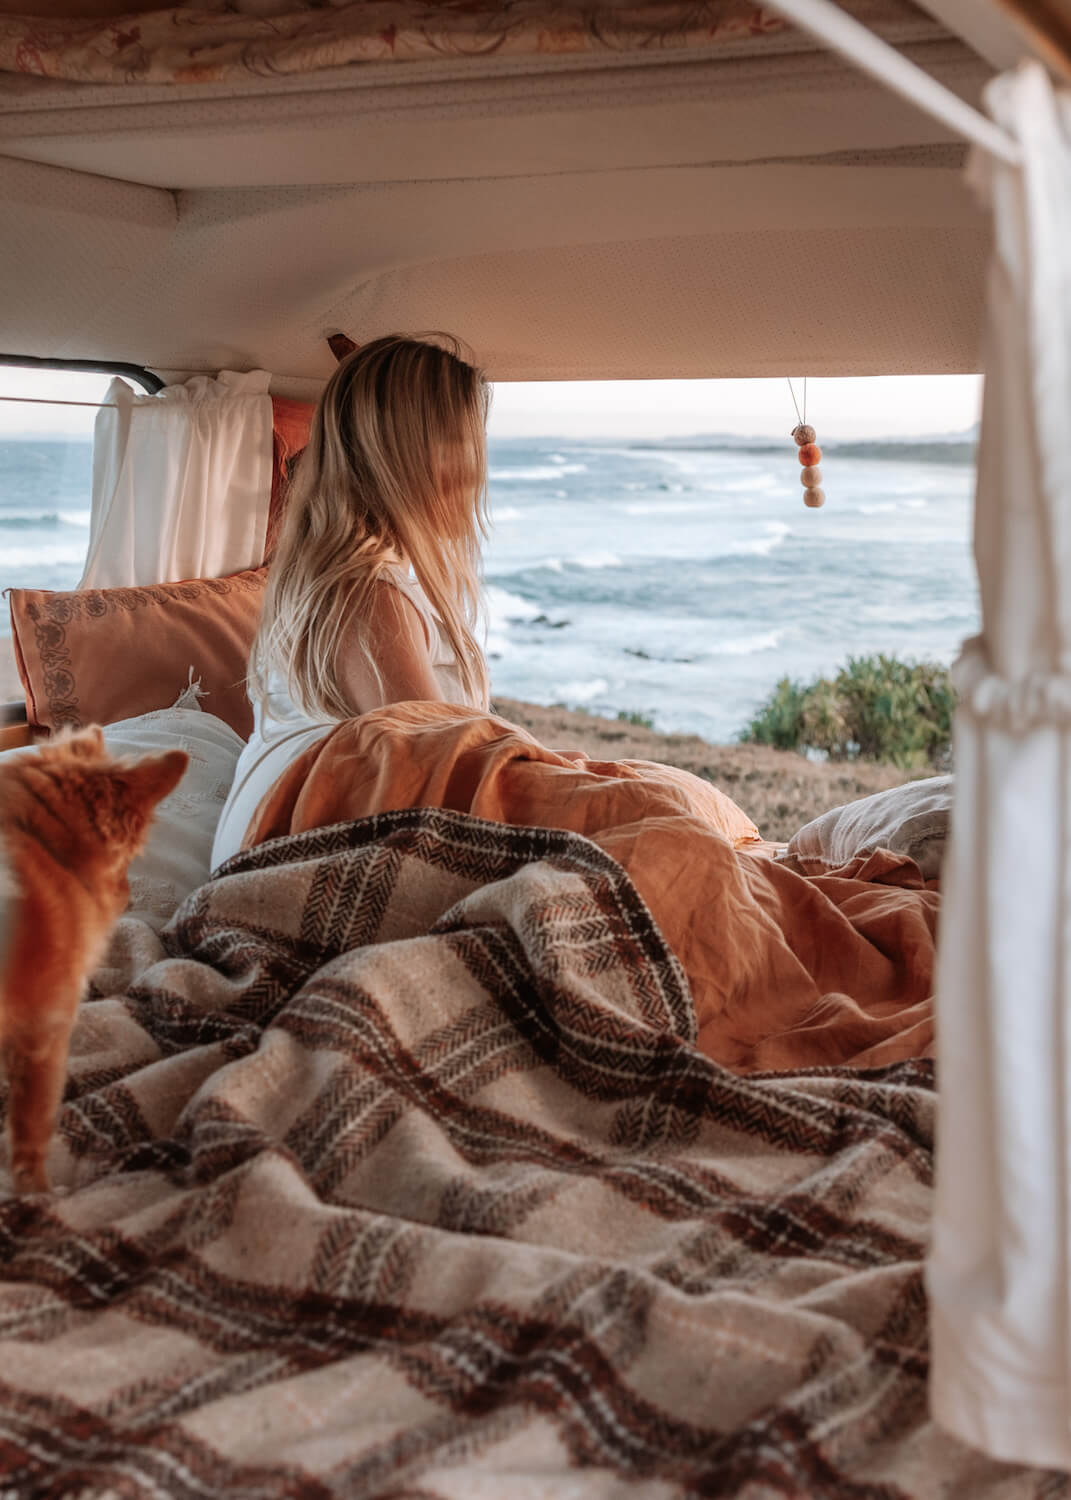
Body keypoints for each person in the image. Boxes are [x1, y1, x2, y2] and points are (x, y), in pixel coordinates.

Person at [211, 333, 492, 868]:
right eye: (466, 444)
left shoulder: (355, 574)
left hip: (296, 836)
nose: (478, 472)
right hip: (294, 857)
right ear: (417, 456)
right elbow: (434, 769)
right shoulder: (365, 590)